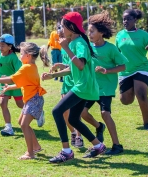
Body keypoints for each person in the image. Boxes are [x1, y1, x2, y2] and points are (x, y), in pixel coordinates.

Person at [42, 12, 106, 163]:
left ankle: (66, 151)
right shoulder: (75, 43)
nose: (61, 29)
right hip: (84, 86)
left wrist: (66, 48)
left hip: (83, 86)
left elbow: (81, 65)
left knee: (57, 111)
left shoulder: (79, 44)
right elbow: (72, 68)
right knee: (74, 119)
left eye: (63, 26)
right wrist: (53, 75)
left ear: (71, 27)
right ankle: (98, 146)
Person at [0, 42, 50, 160]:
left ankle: (30, 153)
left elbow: (11, 78)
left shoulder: (26, 67)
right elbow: (22, 83)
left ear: (28, 55)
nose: (19, 56)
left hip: (34, 100)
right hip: (32, 99)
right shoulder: (30, 67)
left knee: (24, 125)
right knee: (22, 123)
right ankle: (36, 146)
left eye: (22, 53)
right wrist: (10, 87)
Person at [81, 11, 128, 155]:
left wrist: (106, 70)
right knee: (82, 112)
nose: (89, 34)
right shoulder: (88, 47)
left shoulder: (111, 48)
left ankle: (117, 145)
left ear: (101, 32)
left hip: (106, 88)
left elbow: (123, 66)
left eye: (92, 31)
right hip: (92, 87)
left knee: (105, 114)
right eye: (88, 32)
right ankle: (99, 126)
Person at [116, 9, 148, 130]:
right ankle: (133, 88)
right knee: (125, 100)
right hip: (125, 71)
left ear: (135, 20)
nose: (125, 21)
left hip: (141, 68)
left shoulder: (143, 34)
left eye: (128, 19)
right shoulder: (119, 35)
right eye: (124, 19)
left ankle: (146, 123)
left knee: (141, 94)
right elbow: (116, 54)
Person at [50, 32, 83, 148]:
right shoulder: (63, 49)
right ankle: (73, 132)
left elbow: (78, 66)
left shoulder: (75, 46)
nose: (61, 39)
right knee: (64, 112)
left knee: (75, 113)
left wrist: (54, 75)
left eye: (63, 36)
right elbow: (68, 66)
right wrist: (59, 65)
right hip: (66, 83)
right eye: (60, 37)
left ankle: (79, 136)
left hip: (76, 83)